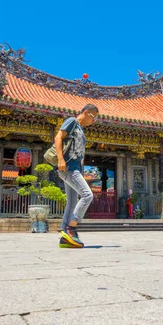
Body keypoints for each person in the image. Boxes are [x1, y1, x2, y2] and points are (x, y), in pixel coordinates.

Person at [55, 104, 99, 248]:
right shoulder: (72, 121)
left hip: (76, 170)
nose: (94, 121)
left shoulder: (81, 130)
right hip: (68, 168)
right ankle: (71, 227)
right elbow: (58, 137)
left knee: (72, 202)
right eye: (94, 117)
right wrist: (60, 159)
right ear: (86, 113)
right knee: (88, 195)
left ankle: (65, 236)